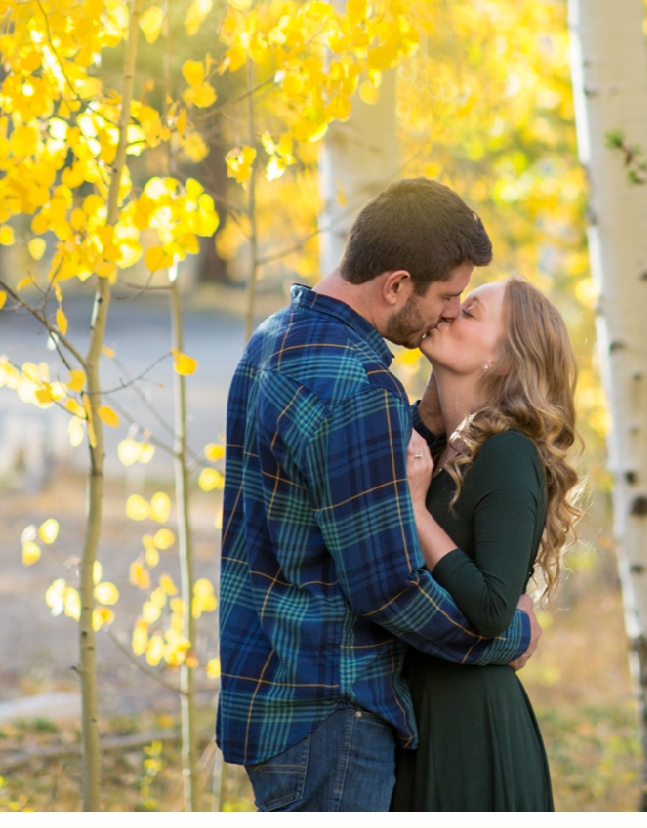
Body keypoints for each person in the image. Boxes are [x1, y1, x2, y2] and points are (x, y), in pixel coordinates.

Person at [214, 179, 541, 812]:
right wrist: (510, 640)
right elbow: (388, 589)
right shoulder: (360, 388)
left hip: (267, 694)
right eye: (447, 297)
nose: (447, 313)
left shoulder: (272, 340)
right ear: (395, 285)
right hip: (331, 709)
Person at [392, 276, 582, 811]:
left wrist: (414, 509)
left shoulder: (507, 454)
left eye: (469, 312)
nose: (447, 311)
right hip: (414, 715)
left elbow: (495, 608)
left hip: (469, 728)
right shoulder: (433, 446)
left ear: (503, 359)